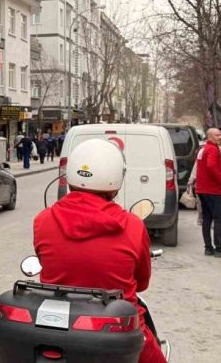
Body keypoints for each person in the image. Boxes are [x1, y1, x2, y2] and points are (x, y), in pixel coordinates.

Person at [33, 139, 167, 363]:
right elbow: (142, 283)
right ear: (115, 180)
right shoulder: (133, 225)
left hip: (58, 326)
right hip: (117, 329)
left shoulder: (42, 221)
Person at [195, 128, 221, 258]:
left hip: (202, 189)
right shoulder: (212, 149)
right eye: (217, 135)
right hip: (211, 189)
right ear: (210, 137)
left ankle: (208, 248)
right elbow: (211, 166)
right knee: (219, 218)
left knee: (207, 218)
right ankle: (219, 249)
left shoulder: (203, 149)